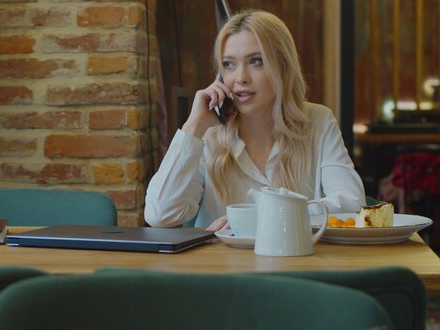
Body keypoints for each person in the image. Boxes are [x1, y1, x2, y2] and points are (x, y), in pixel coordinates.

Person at [145, 9, 365, 230]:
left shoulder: (318, 121)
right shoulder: (207, 134)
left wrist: (261, 217)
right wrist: (193, 127)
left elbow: (353, 206)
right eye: (229, 65)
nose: (240, 78)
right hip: (220, 263)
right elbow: (160, 215)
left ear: (283, 66)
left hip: (296, 263)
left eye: (256, 61)